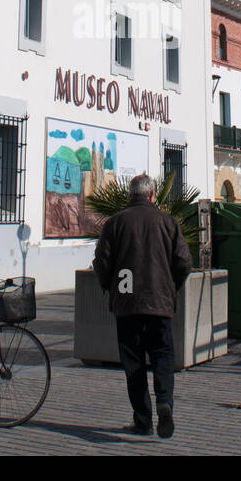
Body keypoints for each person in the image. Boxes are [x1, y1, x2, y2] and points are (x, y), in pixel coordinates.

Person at [92, 173, 192, 438]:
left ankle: (143, 419)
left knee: (133, 362)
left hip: (128, 303)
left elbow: (102, 262)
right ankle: (164, 401)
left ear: (130, 195)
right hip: (159, 302)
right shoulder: (168, 223)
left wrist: (109, 286)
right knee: (162, 354)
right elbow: (184, 261)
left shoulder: (115, 223)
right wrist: (171, 286)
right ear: (152, 195)